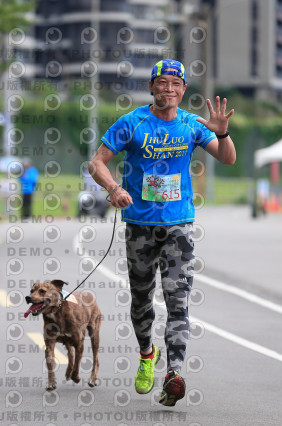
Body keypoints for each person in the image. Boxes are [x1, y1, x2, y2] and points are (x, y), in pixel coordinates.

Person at [89, 59, 236, 406]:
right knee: (142, 301)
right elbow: (97, 163)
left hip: (179, 226)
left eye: (176, 84)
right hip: (139, 225)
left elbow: (228, 159)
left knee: (177, 300)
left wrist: (222, 132)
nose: (168, 90)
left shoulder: (192, 125)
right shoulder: (132, 123)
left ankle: (174, 373)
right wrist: (113, 189)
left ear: (183, 91)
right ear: (152, 87)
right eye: (162, 83)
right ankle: (146, 354)